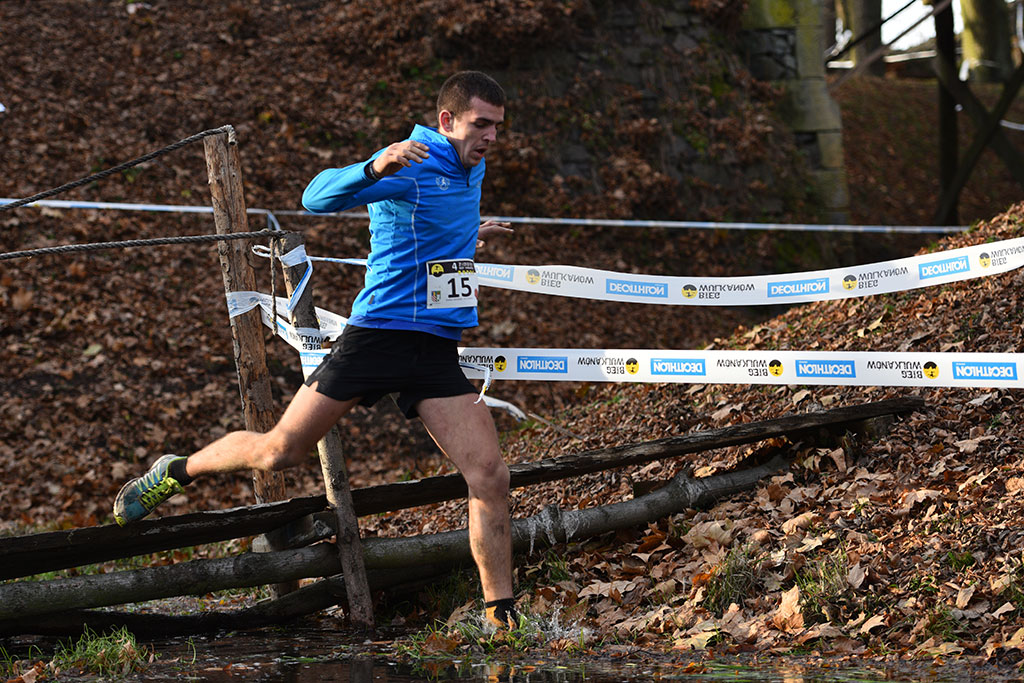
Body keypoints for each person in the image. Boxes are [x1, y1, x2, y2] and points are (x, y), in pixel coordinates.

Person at [113, 71, 520, 629]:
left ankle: (501, 617)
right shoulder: (413, 160)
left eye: (498, 126)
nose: (493, 137)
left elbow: (429, 229)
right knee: (280, 451)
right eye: (482, 125)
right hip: (378, 335)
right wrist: (372, 167)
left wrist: (470, 236)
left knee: (490, 476)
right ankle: (176, 469)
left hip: (435, 348)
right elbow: (315, 197)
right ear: (447, 121)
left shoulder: (470, 165)